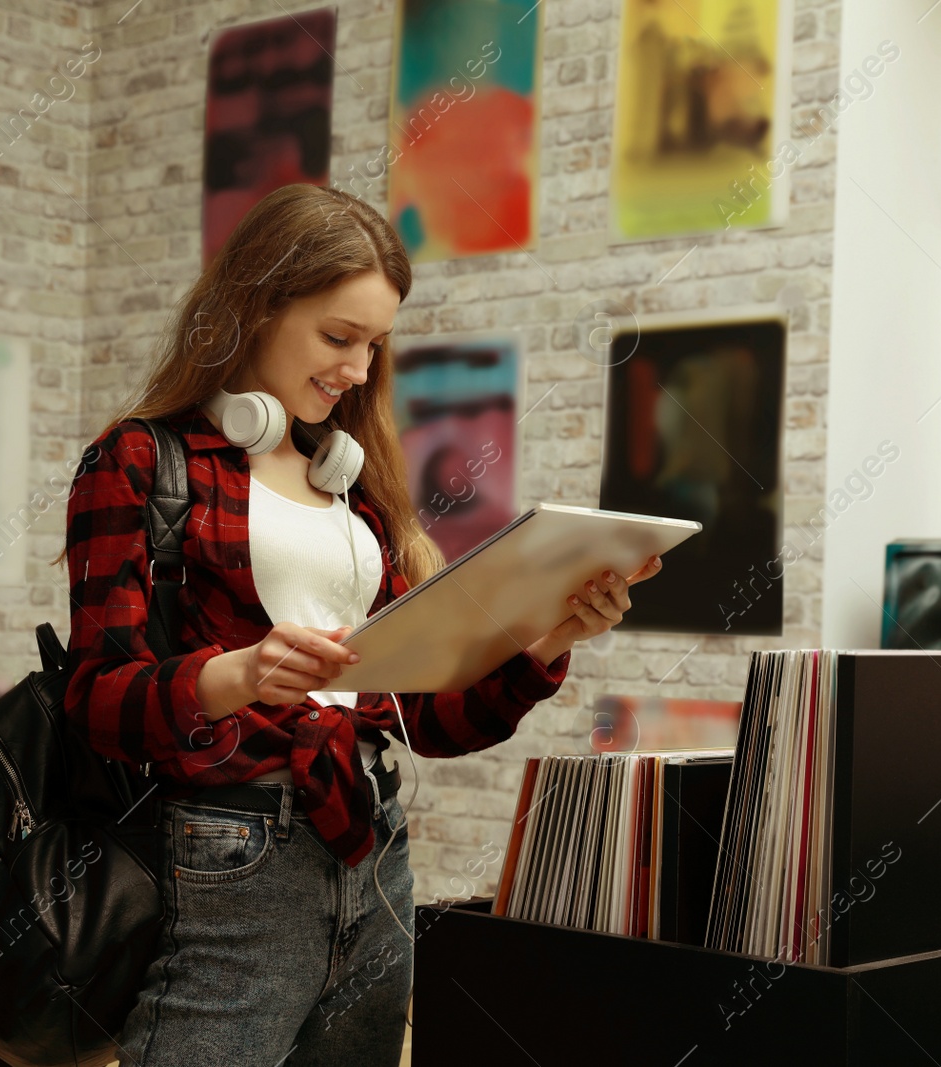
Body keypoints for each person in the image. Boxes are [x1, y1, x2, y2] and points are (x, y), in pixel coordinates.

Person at [56, 183, 662, 1067]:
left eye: (374, 345)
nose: (356, 368)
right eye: (338, 337)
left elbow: (429, 719)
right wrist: (234, 674)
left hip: (374, 851)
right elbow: (93, 700)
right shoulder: (143, 462)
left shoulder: (356, 493)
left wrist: (552, 637)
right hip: (234, 854)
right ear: (255, 306)